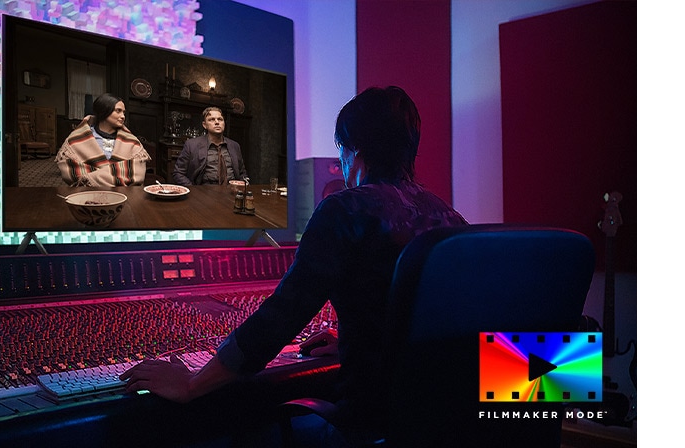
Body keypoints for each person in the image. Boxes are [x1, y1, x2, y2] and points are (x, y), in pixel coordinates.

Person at [121, 86, 468, 446]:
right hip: (445, 422)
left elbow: (282, 315)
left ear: (355, 151)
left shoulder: (344, 211)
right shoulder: (451, 218)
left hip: (372, 421)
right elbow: (434, 321)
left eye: (341, 151)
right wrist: (363, 338)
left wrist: (193, 383)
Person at [55, 93, 151, 187]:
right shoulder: (78, 138)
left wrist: (93, 177)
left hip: (124, 194)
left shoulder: (132, 142)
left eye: (123, 112)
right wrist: (115, 175)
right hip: (86, 193)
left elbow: (138, 173)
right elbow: (70, 172)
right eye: (118, 111)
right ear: (104, 111)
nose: (123, 116)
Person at [170, 107, 248, 185]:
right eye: (212, 119)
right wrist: (194, 190)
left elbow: (242, 174)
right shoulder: (191, 145)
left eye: (220, 119)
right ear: (204, 125)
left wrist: (243, 185)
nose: (217, 122)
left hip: (231, 192)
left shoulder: (235, 146)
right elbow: (178, 173)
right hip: (204, 193)